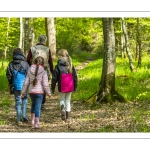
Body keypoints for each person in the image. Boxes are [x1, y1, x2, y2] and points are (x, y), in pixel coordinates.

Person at [21, 56, 51, 129]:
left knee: (33, 105)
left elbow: (26, 83)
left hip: (31, 92)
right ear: (43, 63)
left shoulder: (30, 70)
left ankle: (32, 121)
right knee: (38, 107)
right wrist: (48, 93)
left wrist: (23, 92)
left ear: (34, 62)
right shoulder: (43, 72)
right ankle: (37, 123)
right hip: (39, 92)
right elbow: (45, 84)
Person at [27, 34, 53, 109]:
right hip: (45, 70)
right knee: (44, 85)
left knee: (34, 84)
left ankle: (34, 101)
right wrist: (52, 71)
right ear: (45, 41)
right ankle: (42, 103)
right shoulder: (47, 49)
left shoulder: (33, 48)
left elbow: (28, 59)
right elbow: (50, 61)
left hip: (34, 70)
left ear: (38, 40)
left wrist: (31, 66)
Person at [51, 49, 78, 122]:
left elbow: (54, 78)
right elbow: (75, 77)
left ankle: (62, 110)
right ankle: (68, 118)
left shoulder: (58, 66)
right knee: (68, 100)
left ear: (60, 56)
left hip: (62, 86)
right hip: (70, 86)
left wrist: (52, 88)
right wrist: (75, 87)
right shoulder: (70, 65)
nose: (57, 57)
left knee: (62, 99)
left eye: (58, 56)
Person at [6, 48, 30, 124]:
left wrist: (10, 83)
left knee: (17, 101)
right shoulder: (25, 64)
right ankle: (24, 115)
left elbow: (9, 75)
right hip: (24, 86)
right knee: (25, 100)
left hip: (16, 85)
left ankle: (18, 118)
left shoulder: (11, 64)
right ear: (21, 54)